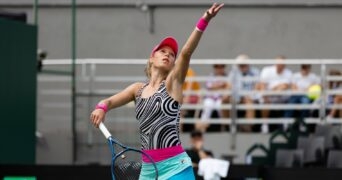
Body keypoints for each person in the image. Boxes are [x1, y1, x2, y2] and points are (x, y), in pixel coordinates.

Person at [90, 3, 224, 180]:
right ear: (152, 58)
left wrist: (204, 20)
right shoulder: (137, 89)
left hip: (176, 167)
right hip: (148, 169)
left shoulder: (172, 84)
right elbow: (108, 102)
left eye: (171, 54)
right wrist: (101, 108)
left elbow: (185, 53)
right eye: (163, 51)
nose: (168, 55)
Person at [221, 54, 260, 132]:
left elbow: (257, 87)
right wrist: (226, 94)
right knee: (225, 101)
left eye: (243, 65)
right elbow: (229, 85)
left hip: (250, 97)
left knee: (249, 102)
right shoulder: (234, 72)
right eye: (240, 65)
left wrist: (250, 96)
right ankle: (227, 126)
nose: (242, 67)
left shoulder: (255, 72)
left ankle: (249, 127)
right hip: (236, 96)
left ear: (248, 64)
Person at [198, 63, 228, 132]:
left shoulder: (227, 77)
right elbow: (209, 86)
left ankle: (224, 127)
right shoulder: (211, 76)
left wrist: (216, 86)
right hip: (210, 98)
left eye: (221, 67)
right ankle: (203, 128)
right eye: (217, 67)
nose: (219, 69)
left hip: (221, 98)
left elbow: (227, 87)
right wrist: (221, 85)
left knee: (220, 106)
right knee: (208, 105)